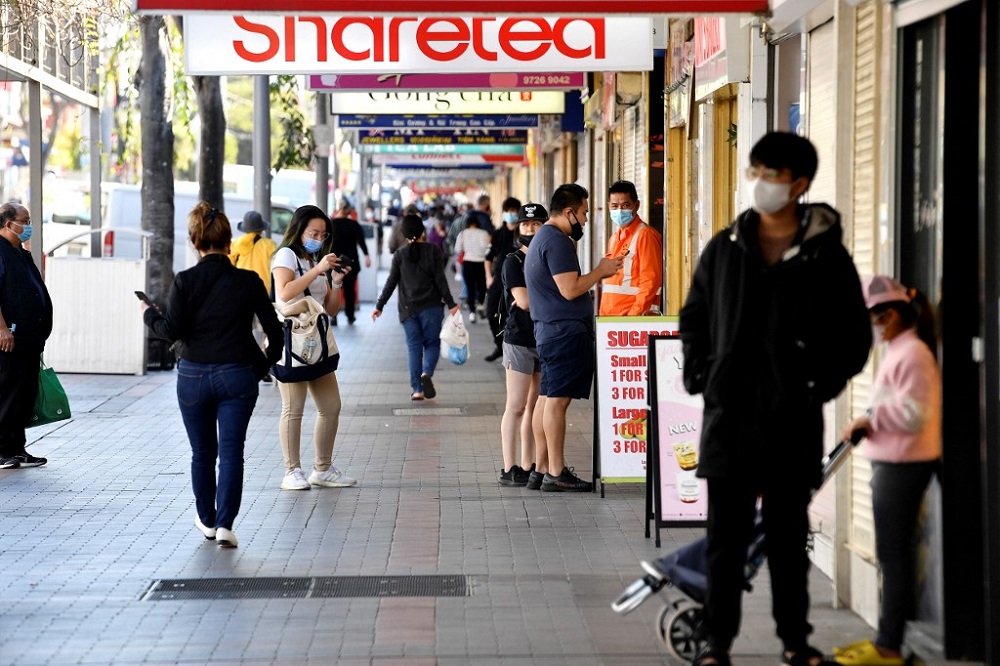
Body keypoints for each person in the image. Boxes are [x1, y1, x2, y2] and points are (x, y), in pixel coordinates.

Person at [678, 131, 872, 666]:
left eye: (773, 174)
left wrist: (816, 386)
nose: (760, 183)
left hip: (792, 421)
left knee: (789, 542)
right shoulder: (726, 247)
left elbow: (855, 336)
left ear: (800, 185)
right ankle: (717, 644)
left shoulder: (825, 258)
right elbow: (693, 317)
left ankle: (795, 642)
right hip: (730, 419)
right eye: (756, 171)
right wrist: (703, 376)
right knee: (726, 541)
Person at [142, 202, 284, 549]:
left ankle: (206, 519)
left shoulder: (185, 281)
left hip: (192, 376)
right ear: (229, 240)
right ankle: (225, 525)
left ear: (195, 242)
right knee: (233, 452)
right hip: (238, 375)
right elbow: (275, 333)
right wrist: (261, 368)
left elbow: (171, 330)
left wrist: (149, 315)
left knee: (202, 452)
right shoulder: (249, 281)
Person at [833, 276, 941, 666]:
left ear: (891, 315)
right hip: (892, 462)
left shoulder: (912, 353)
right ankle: (889, 640)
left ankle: (889, 645)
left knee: (893, 558)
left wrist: (870, 419)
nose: (871, 328)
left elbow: (916, 413)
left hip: (903, 464)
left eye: (873, 319)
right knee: (892, 555)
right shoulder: (899, 349)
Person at [524, 184, 623, 492]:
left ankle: (540, 469)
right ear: (569, 212)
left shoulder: (544, 238)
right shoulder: (556, 241)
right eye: (583, 212)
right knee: (556, 402)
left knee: (546, 399)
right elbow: (570, 289)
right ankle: (556, 471)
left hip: (551, 331)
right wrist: (601, 271)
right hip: (563, 332)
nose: (585, 218)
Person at [271, 205, 357, 492]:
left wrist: (335, 282)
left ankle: (322, 468)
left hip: (317, 342)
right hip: (291, 340)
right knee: (293, 408)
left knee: (331, 406)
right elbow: (283, 292)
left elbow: (330, 310)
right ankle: (291, 470)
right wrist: (317, 271)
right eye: (313, 232)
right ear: (299, 230)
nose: (319, 238)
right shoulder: (286, 255)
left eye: (323, 234)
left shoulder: (316, 259)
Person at [372, 214, 460, 400]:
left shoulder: (400, 254)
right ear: (423, 231)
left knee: (414, 348)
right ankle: (426, 372)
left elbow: (391, 282)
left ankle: (417, 390)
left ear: (404, 234)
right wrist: (451, 304)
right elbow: (440, 280)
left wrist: (379, 305)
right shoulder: (433, 250)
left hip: (407, 309)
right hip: (432, 307)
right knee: (432, 344)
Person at [0, 202, 52, 470]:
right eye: (25, 220)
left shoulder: (18, 251)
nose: (28, 225)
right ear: (9, 224)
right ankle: (2, 449)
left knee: (24, 394)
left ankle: (16, 448)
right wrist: (2, 328)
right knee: (8, 393)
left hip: (29, 339)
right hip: (10, 339)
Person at [498, 203, 545, 486]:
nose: (530, 229)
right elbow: (524, 302)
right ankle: (508, 467)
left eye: (536, 224)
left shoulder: (547, 258)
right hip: (519, 340)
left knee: (534, 406)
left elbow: (530, 299)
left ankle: (528, 465)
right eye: (525, 224)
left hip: (544, 337)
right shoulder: (512, 261)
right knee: (515, 406)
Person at [598, 180, 663, 316]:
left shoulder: (646, 235)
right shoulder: (614, 238)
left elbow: (650, 281)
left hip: (632, 321)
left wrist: (633, 316)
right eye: (615, 206)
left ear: (636, 205)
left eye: (625, 205)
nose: (619, 210)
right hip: (611, 319)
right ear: (608, 206)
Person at [484, 196, 522, 361]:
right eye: (509, 212)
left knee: (514, 315)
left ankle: (512, 349)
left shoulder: (522, 232)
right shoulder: (498, 233)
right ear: (505, 213)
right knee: (491, 312)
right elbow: (488, 257)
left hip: (518, 280)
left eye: (515, 212)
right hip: (499, 278)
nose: (512, 215)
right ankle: (499, 345)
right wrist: (488, 277)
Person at [330, 204, 372, 325]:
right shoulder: (354, 225)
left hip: (335, 261)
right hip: (350, 262)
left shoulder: (332, 224)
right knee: (349, 290)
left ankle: (334, 316)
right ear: (349, 213)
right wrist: (367, 256)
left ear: (338, 211)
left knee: (335, 289)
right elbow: (361, 242)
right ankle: (350, 315)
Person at [454, 214, 490, 323]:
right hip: (481, 263)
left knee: (470, 288)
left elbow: (458, 249)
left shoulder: (463, 233)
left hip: (468, 263)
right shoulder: (484, 233)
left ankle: (472, 313)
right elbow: (487, 249)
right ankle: (480, 304)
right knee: (481, 286)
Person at [229, 210, 278, 289]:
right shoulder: (270, 245)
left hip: (240, 288)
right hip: (263, 290)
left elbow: (229, 267)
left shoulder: (235, 244)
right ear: (261, 229)